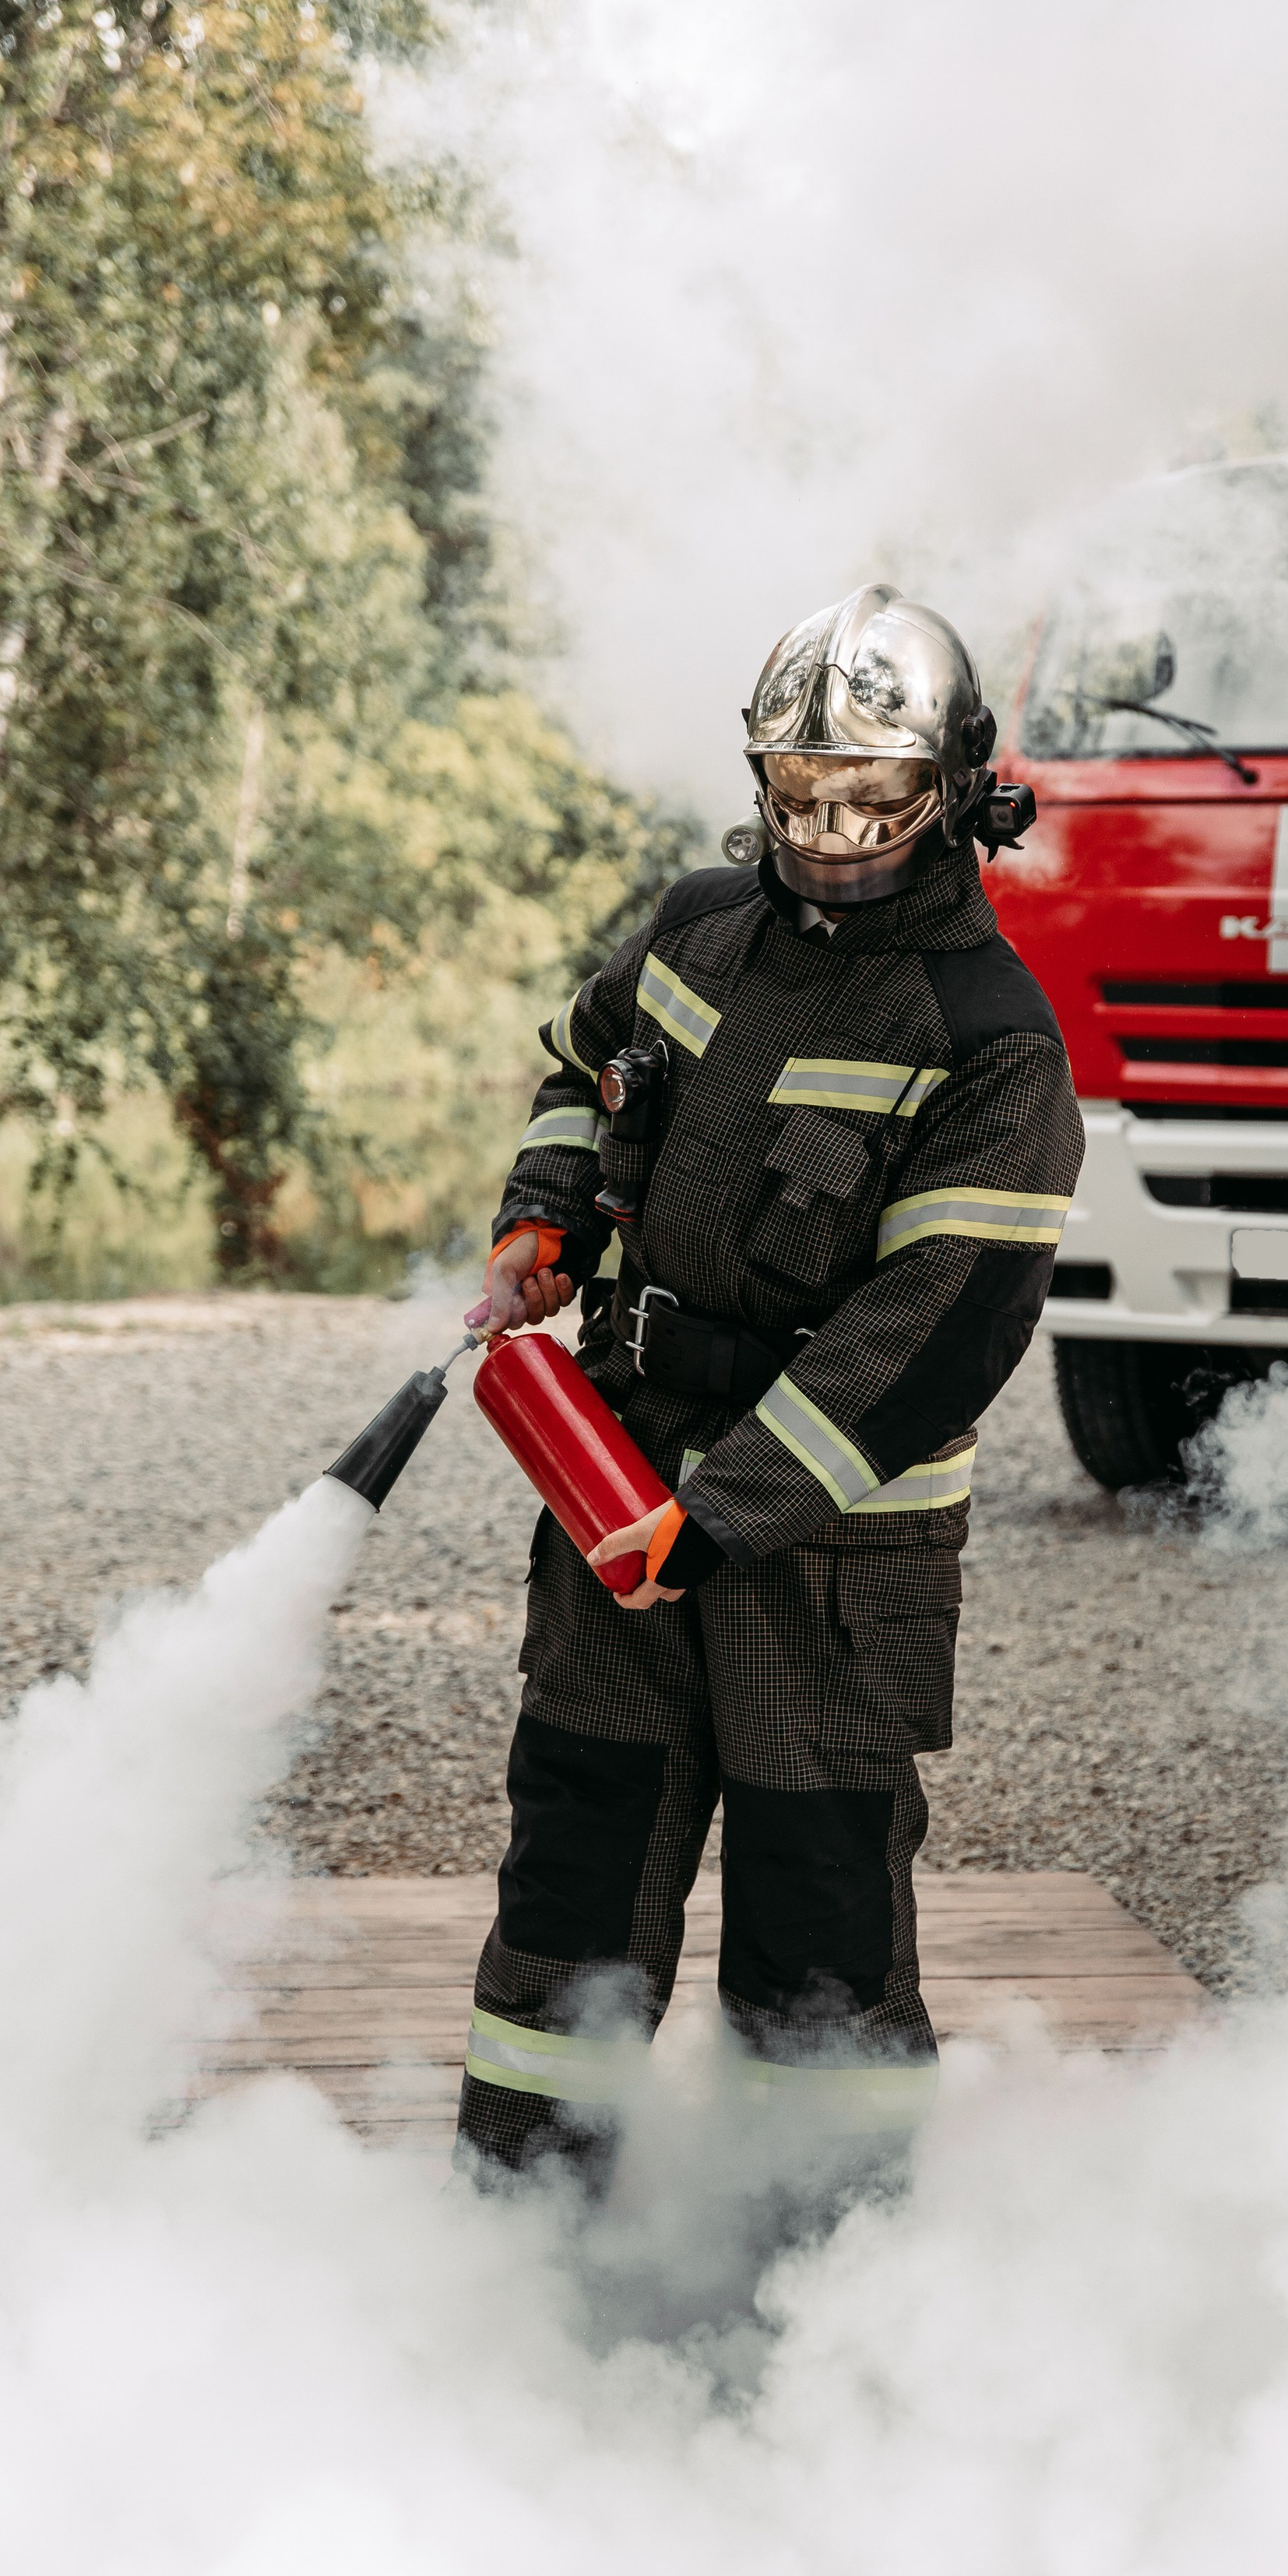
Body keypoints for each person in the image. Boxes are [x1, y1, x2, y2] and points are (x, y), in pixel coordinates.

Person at [455, 585, 1084, 2184]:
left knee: (817, 1915)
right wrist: (546, 1213)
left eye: (870, 797)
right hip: (621, 1478)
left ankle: (820, 2263)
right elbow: (581, 1066)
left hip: (827, 1551)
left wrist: (720, 1516)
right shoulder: (695, 926)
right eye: (800, 793)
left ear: (952, 786)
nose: (831, 832)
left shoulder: (990, 1040)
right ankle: (522, 2219)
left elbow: (934, 1333)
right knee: (576, 1866)